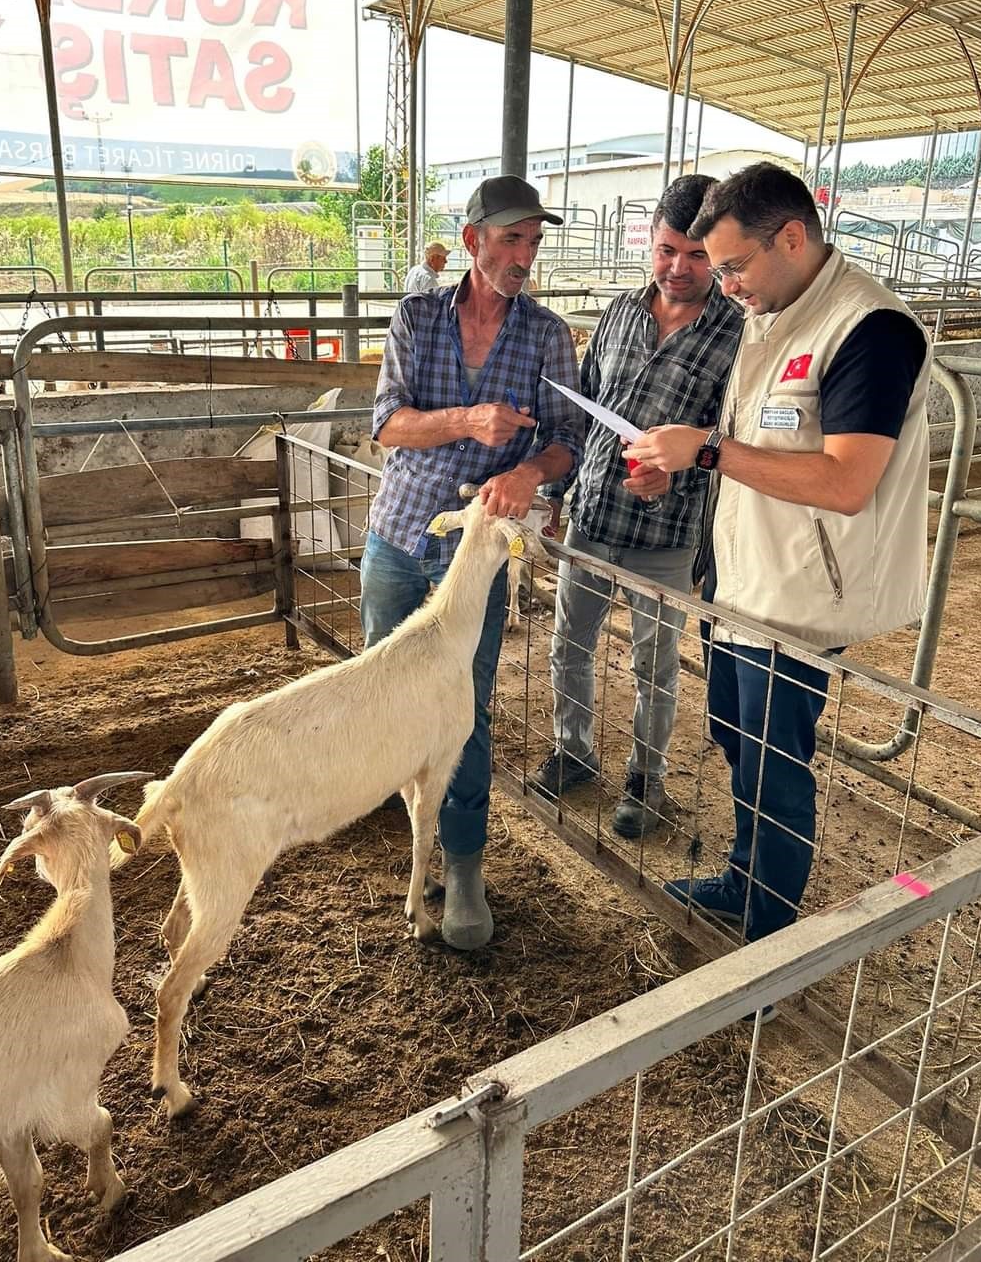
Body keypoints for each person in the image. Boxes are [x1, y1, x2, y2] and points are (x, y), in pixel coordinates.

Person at [628, 162, 930, 945]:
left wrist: (707, 454)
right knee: (736, 740)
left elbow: (846, 480)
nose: (722, 285)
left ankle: (768, 937)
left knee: (775, 765)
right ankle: (744, 876)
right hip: (739, 582)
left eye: (731, 265)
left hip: (800, 595)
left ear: (790, 237)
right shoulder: (774, 314)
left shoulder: (870, 328)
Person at [362, 175, 584, 951]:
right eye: (511, 240)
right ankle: (397, 818)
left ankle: (461, 864)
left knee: (466, 709)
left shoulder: (549, 334)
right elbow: (386, 423)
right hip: (400, 533)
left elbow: (568, 439)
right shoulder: (417, 317)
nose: (525, 256)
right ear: (472, 242)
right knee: (382, 689)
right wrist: (466, 420)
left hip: (475, 556)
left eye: (533, 242)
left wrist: (528, 473)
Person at [527, 174, 744, 838]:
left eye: (697, 255)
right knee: (569, 643)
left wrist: (676, 476)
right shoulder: (620, 312)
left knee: (656, 663)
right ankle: (574, 749)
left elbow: (734, 439)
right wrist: (556, 497)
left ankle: (645, 780)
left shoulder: (740, 333)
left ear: (718, 253)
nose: (679, 269)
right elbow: (584, 409)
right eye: (667, 251)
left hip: (667, 533)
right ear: (649, 243)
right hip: (593, 514)